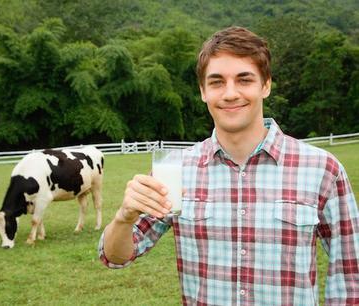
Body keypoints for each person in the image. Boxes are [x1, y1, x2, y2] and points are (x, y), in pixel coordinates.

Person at [98, 26, 359, 305]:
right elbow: (115, 256)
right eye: (217, 82)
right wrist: (124, 218)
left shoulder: (323, 169)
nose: (230, 93)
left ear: (266, 85)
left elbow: (350, 273)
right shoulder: (175, 171)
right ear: (203, 91)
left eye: (244, 80)